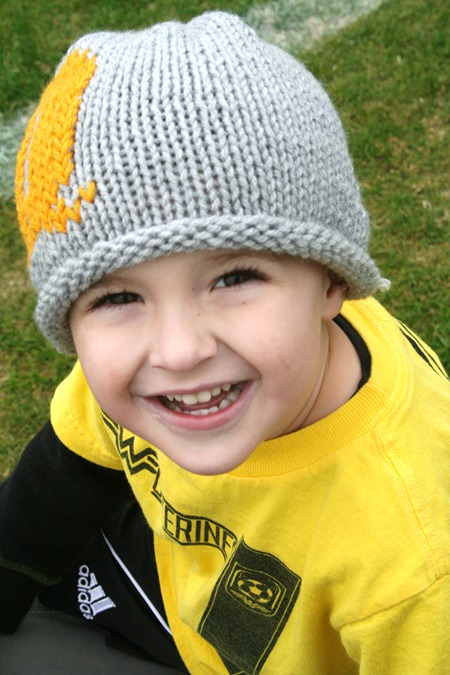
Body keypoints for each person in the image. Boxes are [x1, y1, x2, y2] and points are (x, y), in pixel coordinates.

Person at [0, 10, 449, 674]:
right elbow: (57, 479)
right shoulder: (150, 383)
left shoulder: (415, 562)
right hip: (182, 588)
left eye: (234, 278)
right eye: (118, 298)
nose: (178, 351)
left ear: (333, 282)